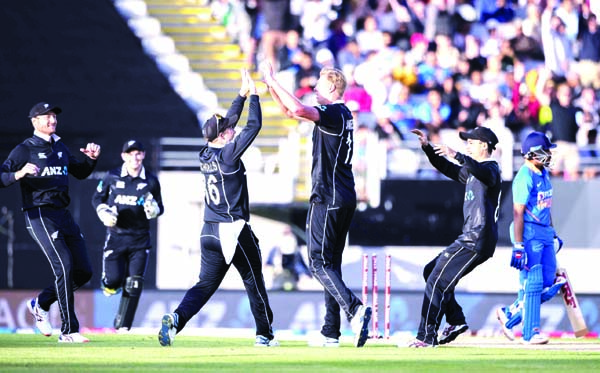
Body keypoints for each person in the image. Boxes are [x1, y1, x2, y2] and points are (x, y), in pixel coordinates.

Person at [158, 69, 278, 347]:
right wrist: (256, 97)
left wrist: (241, 94)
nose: (231, 128)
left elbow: (230, 122)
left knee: (204, 285)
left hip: (208, 230)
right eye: (227, 129)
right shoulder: (227, 155)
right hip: (232, 229)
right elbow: (252, 127)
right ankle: (265, 335)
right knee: (253, 280)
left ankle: (176, 320)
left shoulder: (205, 152)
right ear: (222, 136)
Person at [260, 61, 372, 348]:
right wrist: (271, 85)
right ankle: (330, 332)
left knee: (318, 263)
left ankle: (355, 309)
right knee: (330, 264)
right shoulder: (342, 114)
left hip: (329, 195)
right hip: (344, 196)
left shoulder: (333, 111)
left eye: (319, 85)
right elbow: (289, 111)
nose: (314, 89)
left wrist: (274, 79)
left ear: (333, 87)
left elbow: (297, 109)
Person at [0, 102, 101, 343]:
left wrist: (91, 160)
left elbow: (80, 172)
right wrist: (19, 173)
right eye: (46, 116)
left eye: (53, 116)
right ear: (34, 121)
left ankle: (41, 303)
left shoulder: (60, 146)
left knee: (83, 272)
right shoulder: (25, 149)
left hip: (62, 214)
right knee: (64, 266)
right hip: (39, 214)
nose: (52, 120)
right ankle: (68, 331)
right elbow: (2, 176)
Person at [408, 127, 502, 347]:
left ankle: (426, 336)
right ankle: (456, 320)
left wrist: (457, 155)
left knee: (436, 281)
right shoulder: (473, 171)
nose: (468, 144)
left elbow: (482, 172)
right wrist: (428, 149)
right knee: (431, 271)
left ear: (484, 145)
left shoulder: (491, 169)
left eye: (472, 141)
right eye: (466, 142)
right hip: (472, 236)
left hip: (476, 237)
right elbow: (448, 168)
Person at [495, 131, 566, 345]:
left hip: (544, 232)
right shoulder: (524, 177)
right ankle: (530, 333)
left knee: (548, 284)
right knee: (533, 283)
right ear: (532, 153)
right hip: (529, 232)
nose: (548, 155)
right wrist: (518, 244)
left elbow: (545, 207)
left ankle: (509, 315)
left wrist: (552, 231)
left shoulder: (543, 173)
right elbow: (518, 213)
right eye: (545, 151)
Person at [91, 140, 163, 330]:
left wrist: (154, 210)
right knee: (113, 282)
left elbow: (160, 207)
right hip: (116, 237)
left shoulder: (151, 180)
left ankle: (123, 326)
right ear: (123, 156)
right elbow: (97, 198)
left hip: (140, 239)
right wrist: (103, 213)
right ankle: (110, 283)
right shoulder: (112, 176)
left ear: (143, 156)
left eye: (138, 153)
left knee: (135, 282)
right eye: (131, 154)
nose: (135, 158)